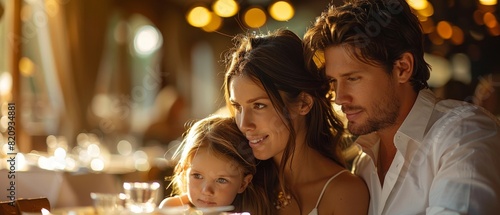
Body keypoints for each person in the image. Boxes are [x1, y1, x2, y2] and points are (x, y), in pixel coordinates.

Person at [303, 0, 500, 214]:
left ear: (403, 69)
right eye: (333, 82)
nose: (339, 98)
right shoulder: (364, 162)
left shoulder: (463, 134)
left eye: (352, 78)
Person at [223, 29, 369, 215]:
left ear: (303, 103)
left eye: (259, 106)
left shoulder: (344, 193)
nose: (244, 125)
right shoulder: (242, 185)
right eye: (238, 107)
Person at [158, 115, 274, 215]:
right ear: (185, 171)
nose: (206, 191)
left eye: (221, 180)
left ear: (243, 183)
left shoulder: (251, 211)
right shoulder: (172, 209)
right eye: (197, 176)